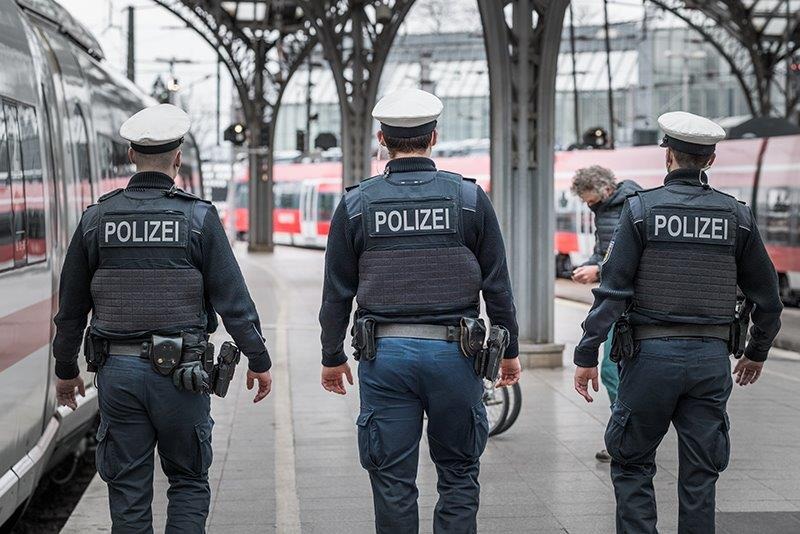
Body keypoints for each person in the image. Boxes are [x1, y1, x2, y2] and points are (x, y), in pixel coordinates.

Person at [52, 104, 273, 533]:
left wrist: (66, 370)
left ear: (131, 154)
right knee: (188, 481)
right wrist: (259, 361)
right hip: (182, 376)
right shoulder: (198, 218)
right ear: (178, 156)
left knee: (128, 489)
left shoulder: (96, 220)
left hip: (116, 374)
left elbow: (71, 308)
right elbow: (234, 301)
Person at [318, 88, 520, 534]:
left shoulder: (356, 204)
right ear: (434, 137)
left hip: (385, 357)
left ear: (381, 140)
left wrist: (332, 356)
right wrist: (510, 349)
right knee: (459, 472)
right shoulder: (469, 199)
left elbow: (336, 293)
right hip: (457, 356)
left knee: (391, 478)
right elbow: (497, 283)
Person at [573, 111, 783, 533]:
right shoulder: (736, 216)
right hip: (710, 360)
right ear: (711, 160)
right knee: (701, 473)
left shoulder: (639, 211)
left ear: (667, 154)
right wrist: (756, 352)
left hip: (649, 358)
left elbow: (612, 293)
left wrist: (586, 352)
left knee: (632, 464)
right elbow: (769, 300)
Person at [570, 165, 641, 462]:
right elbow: (607, 251)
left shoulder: (629, 206)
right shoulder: (607, 209)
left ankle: (626, 438)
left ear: (606, 190)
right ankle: (630, 436)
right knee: (621, 371)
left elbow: (631, 259)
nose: (588, 205)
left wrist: (598, 270)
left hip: (624, 305)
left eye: (589, 199)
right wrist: (592, 263)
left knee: (612, 369)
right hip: (620, 302)